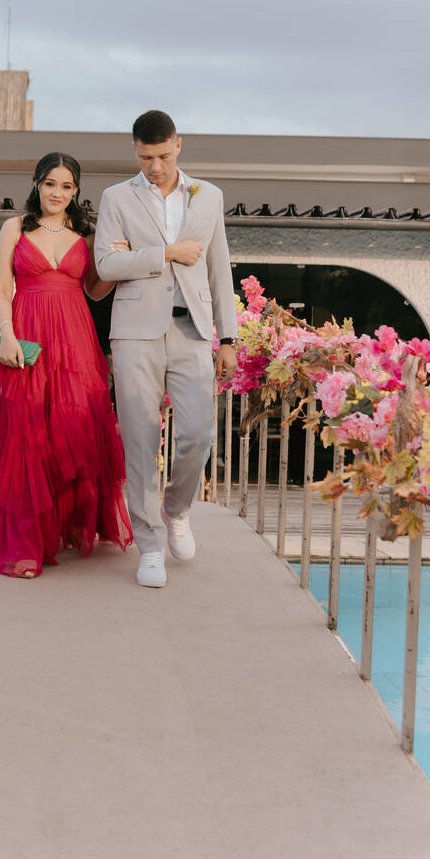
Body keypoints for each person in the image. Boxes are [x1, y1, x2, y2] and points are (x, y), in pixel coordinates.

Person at [94, 110, 238, 588]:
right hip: (135, 331)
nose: (154, 166)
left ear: (180, 145)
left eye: (161, 155)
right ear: (134, 151)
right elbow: (107, 264)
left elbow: (220, 269)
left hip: (193, 331)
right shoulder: (117, 197)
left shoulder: (209, 196)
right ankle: (150, 544)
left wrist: (229, 337)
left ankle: (176, 510)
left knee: (198, 432)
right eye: (144, 157)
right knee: (139, 436)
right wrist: (166, 254)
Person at [0, 152, 133, 577]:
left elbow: (96, 292)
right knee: (26, 432)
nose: (57, 193)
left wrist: (116, 265)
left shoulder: (86, 233)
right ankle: (26, 543)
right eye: (50, 184)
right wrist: (6, 333)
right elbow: (0, 288)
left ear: (76, 191)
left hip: (75, 340)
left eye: (66, 186)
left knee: (71, 430)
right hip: (26, 334)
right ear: (36, 184)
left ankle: (64, 525)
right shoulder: (14, 228)